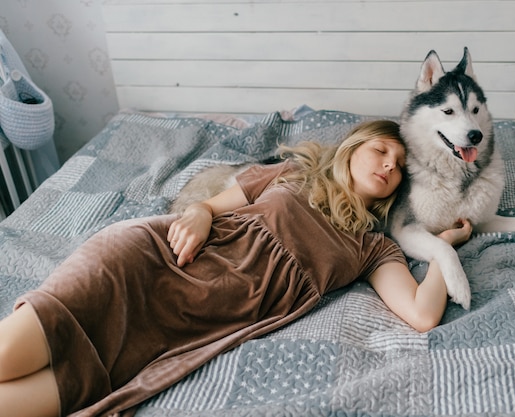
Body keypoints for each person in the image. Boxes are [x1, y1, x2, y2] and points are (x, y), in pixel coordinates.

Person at [0, 120, 472, 417]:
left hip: (187, 327)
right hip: (146, 262)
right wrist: (200, 214)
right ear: (352, 149)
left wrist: (444, 247)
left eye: (399, 166)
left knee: (43, 397)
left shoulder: (371, 248)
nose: (390, 166)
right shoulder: (294, 175)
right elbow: (209, 207)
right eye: (381, 152)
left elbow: (422, 315)